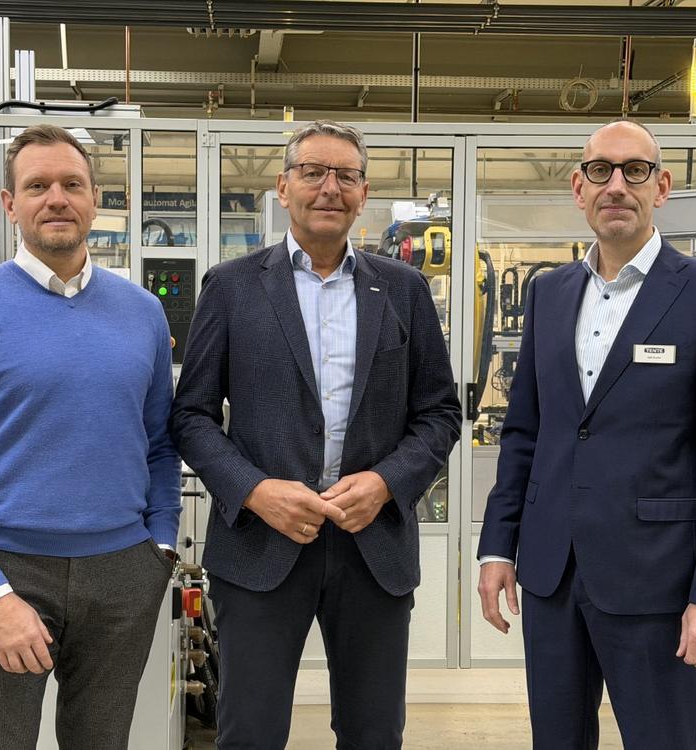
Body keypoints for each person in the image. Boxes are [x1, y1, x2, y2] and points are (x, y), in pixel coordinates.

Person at [170, 120, 461, 749]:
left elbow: (440, 413)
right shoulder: (232, 286)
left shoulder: (404, 290)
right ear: (283, 187)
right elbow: (191, 416)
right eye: (312, 172)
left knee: (373, 733)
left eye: (346, 175)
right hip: (260, 545)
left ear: (363, 192)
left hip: (373, 549)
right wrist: (255, 491)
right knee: (249, 734)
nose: (330, 187)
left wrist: (386, 483)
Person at [476, 119, 696, 750]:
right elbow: (524, 434)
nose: (616, 186)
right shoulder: (550, 293)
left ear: (661, 187)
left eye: (635, 171)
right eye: (600, 170)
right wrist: (497, 547)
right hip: (551, 575)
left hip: (657, 583)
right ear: (578, 187)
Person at [0, 124, 181, 750]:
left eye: (72, 184)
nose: (57, 198)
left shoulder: (141, 312)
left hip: (123, 574)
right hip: (5, 569)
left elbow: (160, 443)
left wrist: (159, 549)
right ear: (10, 203)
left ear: (95, 199)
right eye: (37, 186)